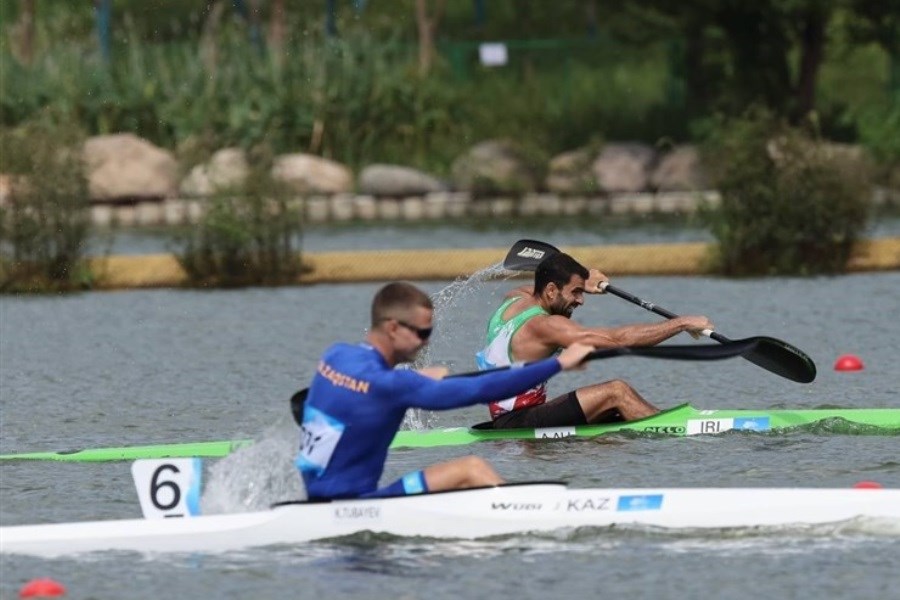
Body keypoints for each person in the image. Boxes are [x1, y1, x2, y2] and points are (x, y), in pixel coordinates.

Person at [296, 281, 595, 501]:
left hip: (319, 498)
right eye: (422, 333)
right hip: (355, 507)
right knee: (473, 469)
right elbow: (481, 388)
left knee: (470, 468)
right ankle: (532, 522)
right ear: (392, 329)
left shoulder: (335, 357)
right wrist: (559, 364)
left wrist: (420, 381)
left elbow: (361, 391)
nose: (426, 342)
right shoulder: (392, 386)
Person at [476, 252, 714, 429]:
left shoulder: (514, 301)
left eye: (581, 292)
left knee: (612, 434)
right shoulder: (546, 326)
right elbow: (617, 340)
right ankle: (679, 431)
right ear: (551, 291)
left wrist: (582, 280)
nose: (581, 300)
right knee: (616, 392)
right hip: (519, 422)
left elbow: (531, 288)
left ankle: (655, 421)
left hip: (506, 417)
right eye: (575, 293)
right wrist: (681, 323)